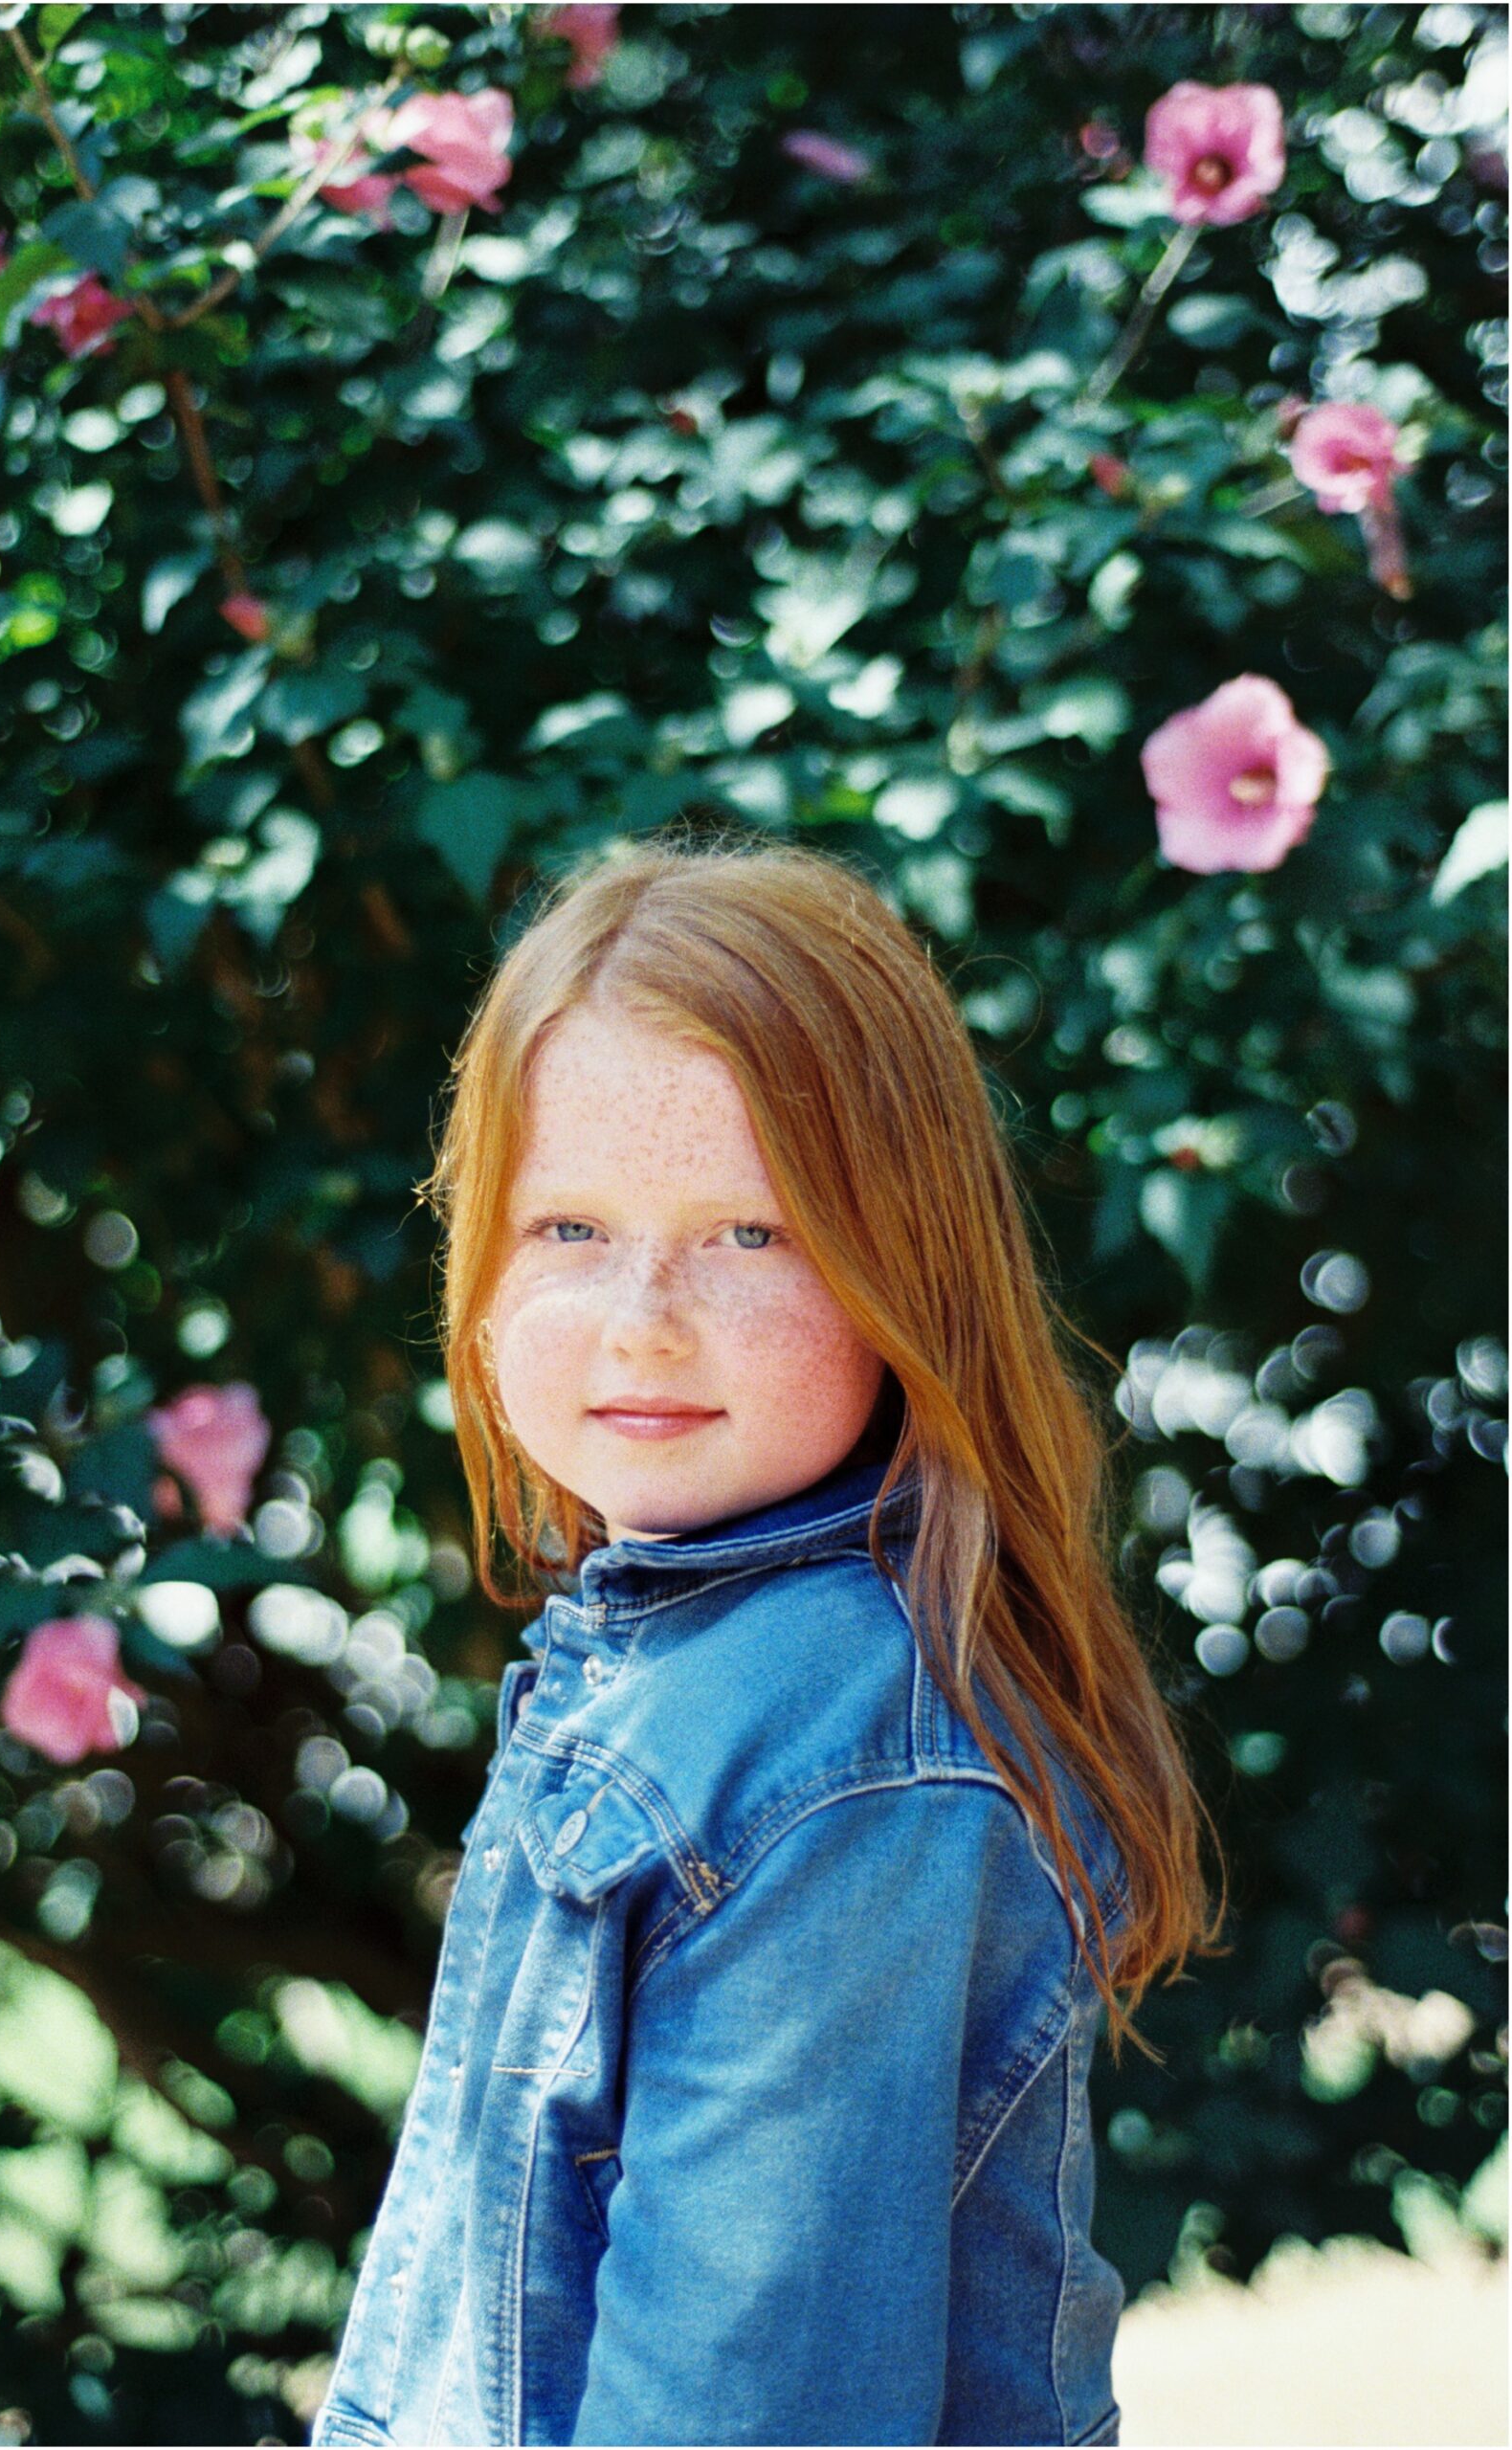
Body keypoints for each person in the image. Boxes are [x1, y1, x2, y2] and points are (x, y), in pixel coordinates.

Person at [311, 837, 1219, 2449]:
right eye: (569, 1230)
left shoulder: (840, 1770)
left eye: (752, 1234)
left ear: (904, 1270)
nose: (645, 1315)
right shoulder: (674, 1667)